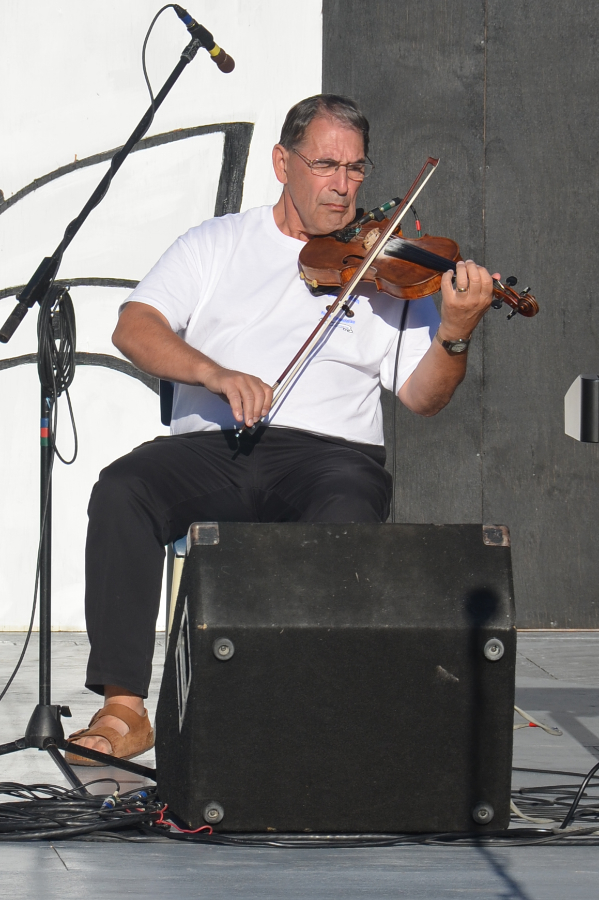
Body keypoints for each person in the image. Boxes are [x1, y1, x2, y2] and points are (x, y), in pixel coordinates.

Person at [66, 94, 498, 764]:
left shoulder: (390, 268)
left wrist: (454, 334)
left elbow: (422, 398)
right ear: (281, 162)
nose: (342, 185)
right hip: (214, 447)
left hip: (331, 457)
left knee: (349, 507)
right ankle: (124, 708)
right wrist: (213, 374)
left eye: (355, 170)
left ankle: (305, 710)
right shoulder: (214, 244)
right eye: (326, 164)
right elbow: (134, 327)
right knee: (125, 487)